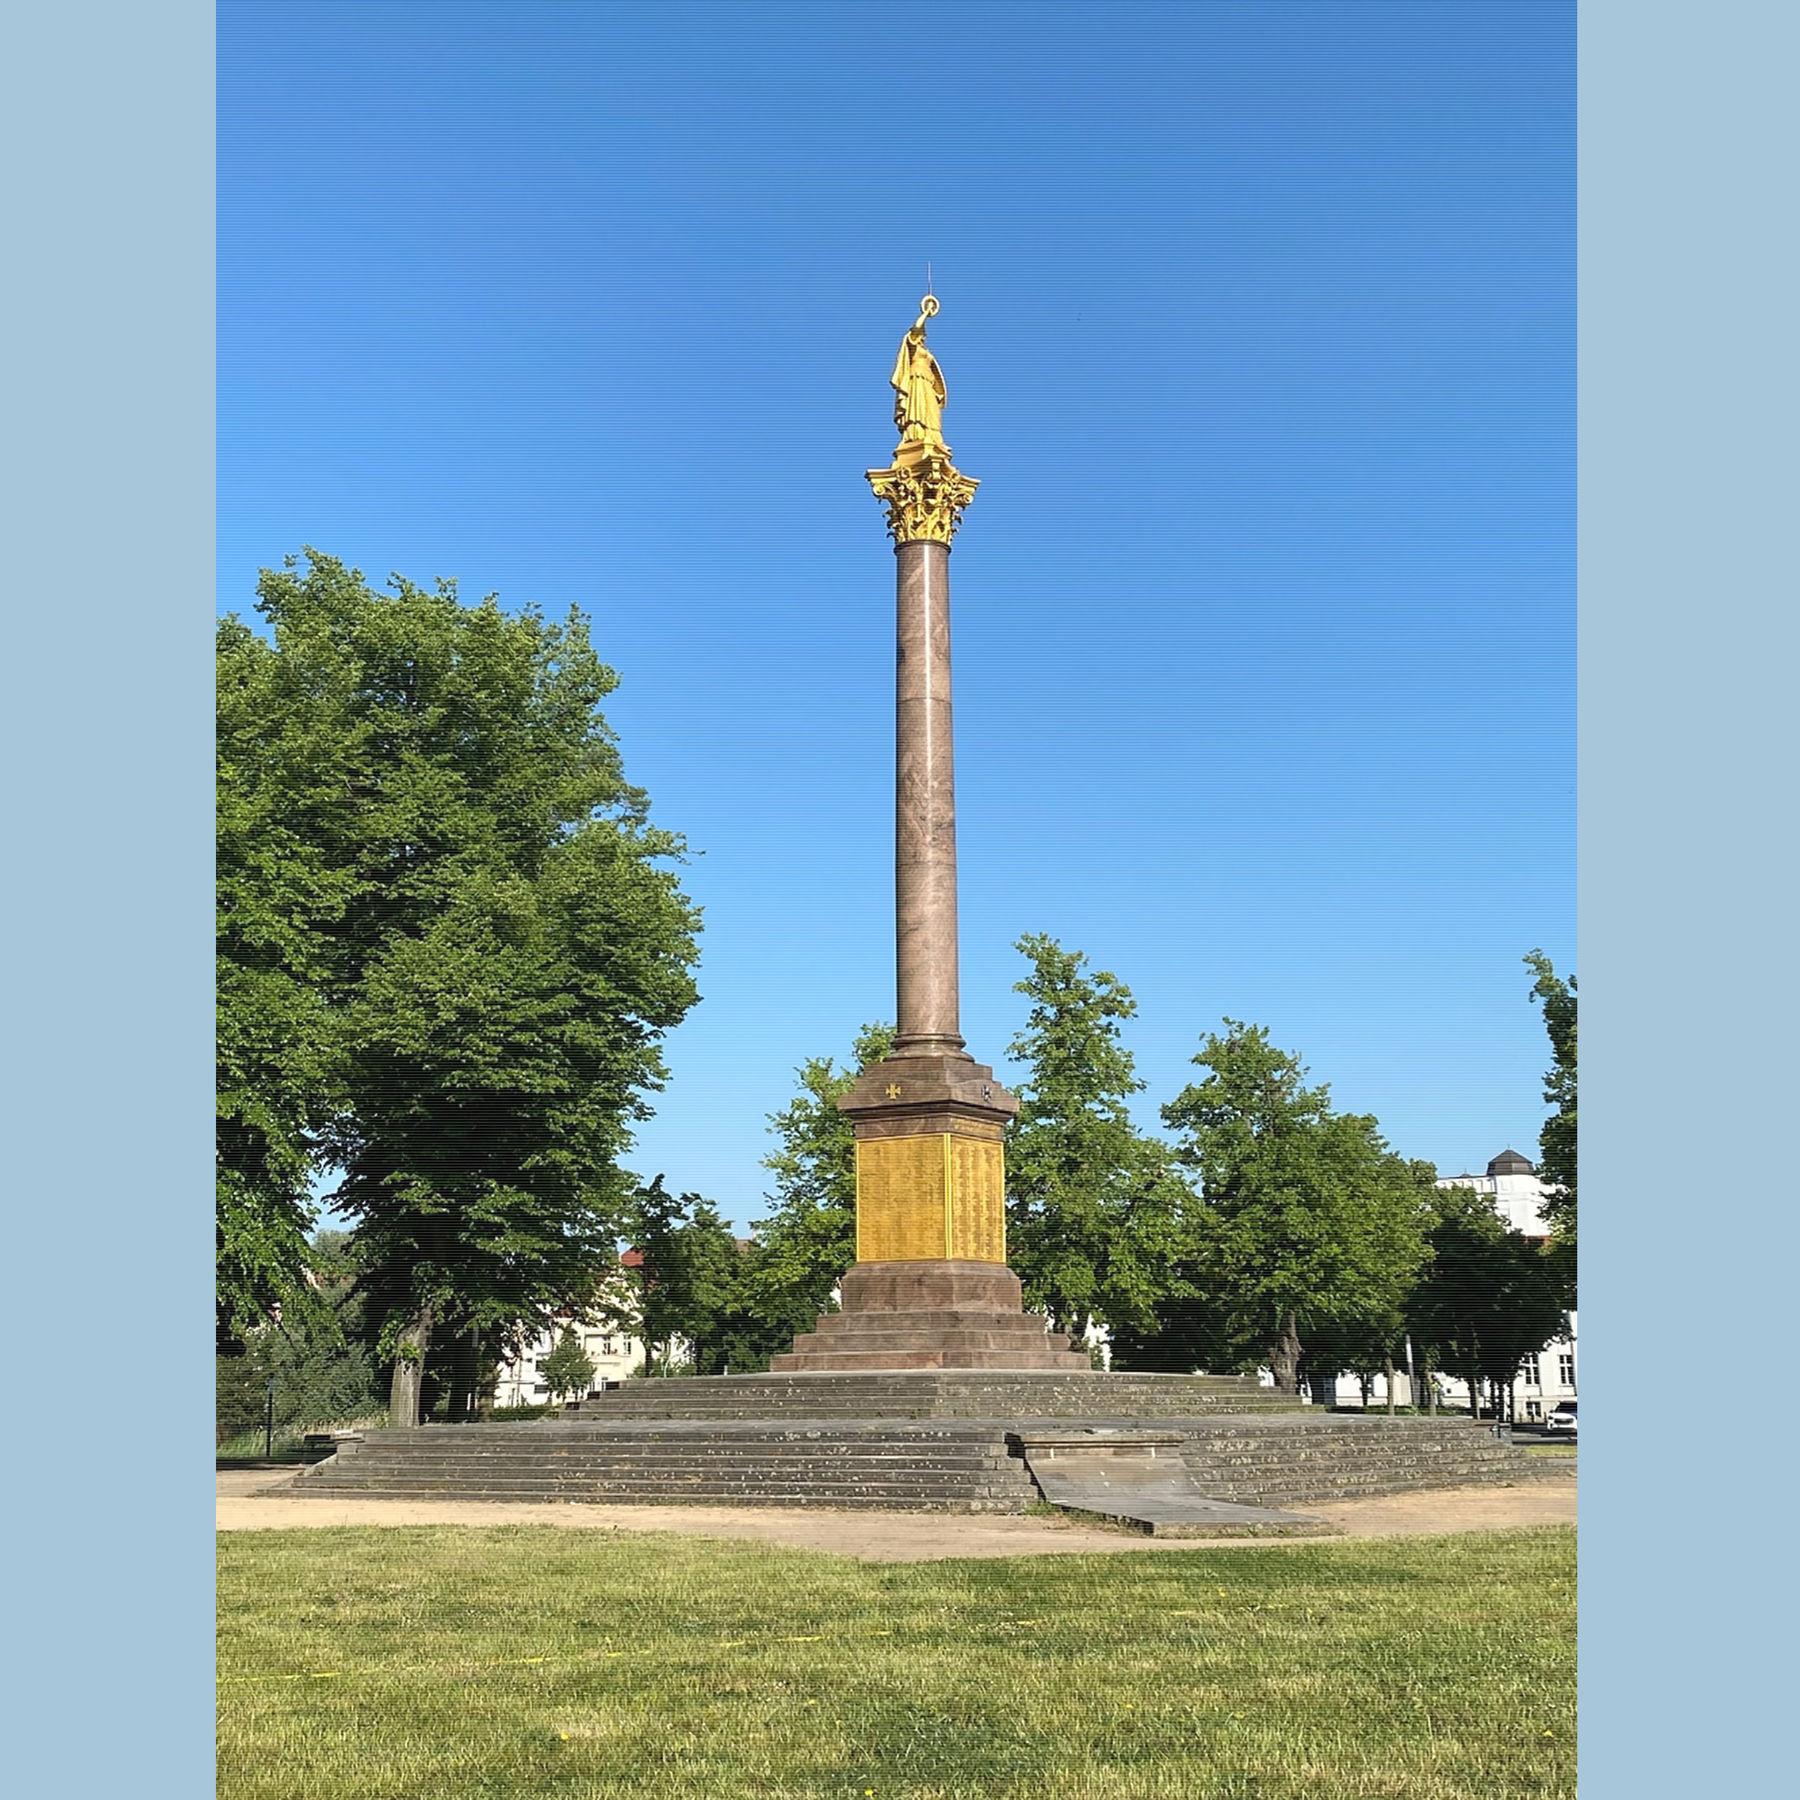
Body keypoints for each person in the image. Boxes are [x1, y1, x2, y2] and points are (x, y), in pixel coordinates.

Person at [890, 297, 948, 449]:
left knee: (931, 412)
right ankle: (915, 435)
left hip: (928, 382)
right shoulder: (912, 345)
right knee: (917, 409)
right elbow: (916, 327)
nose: (923, 334)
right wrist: (926, 313)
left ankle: (933, 437)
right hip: (917, 379)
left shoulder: (925, 349)